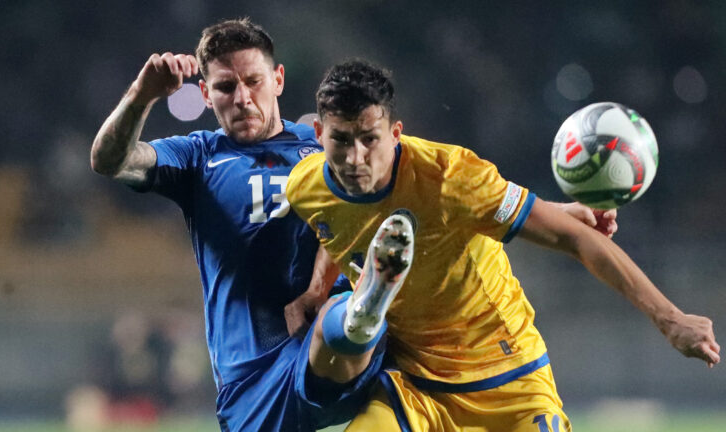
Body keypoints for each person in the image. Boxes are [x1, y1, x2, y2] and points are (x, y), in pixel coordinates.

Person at [285, 60, 720, 431]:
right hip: (415, 388)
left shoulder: (452, 177)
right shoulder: (305, 187)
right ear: (319, 134)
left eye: (369, 139)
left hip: (509, 380)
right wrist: (316, 289)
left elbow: (576, 238)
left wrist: (670, 318)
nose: (355, 158)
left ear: (395, 132)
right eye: (341, 140)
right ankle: (358, 318)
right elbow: (339, 227)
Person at [90, 19, 386, 431]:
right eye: (227, 87)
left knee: (344, 324)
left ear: (278, 80)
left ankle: (364, 312)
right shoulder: (197, 157)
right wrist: (142, 95)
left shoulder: (323, 148)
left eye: (253, 81)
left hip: (328, 345)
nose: (243, 98)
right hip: (251, 379)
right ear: (206, 94)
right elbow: (109, 161)